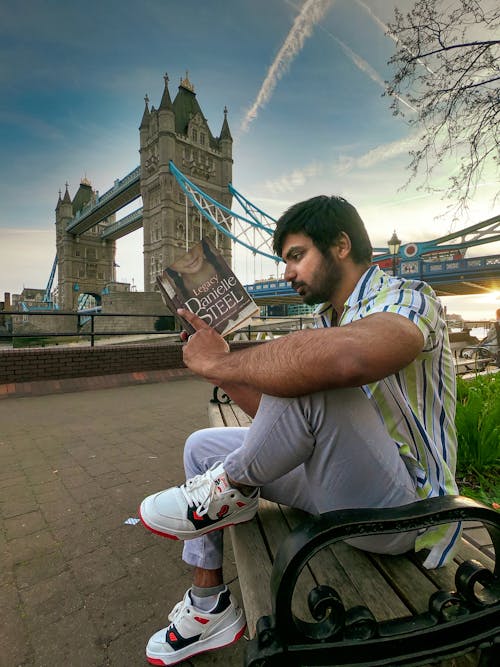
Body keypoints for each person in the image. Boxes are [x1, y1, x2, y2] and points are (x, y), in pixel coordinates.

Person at [139, 195, 459, 666]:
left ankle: (231, 486)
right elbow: (276, 411)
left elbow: (348, 361)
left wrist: (226, 359)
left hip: (406, 512)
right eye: (284, 261)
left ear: (341, 245)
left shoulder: (408, 297)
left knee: (317, 370)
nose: (287, 272)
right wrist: (219, 367)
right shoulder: (325, 321)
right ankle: (209, 608)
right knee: (202, 446)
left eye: (295, 256)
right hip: (344, 487)